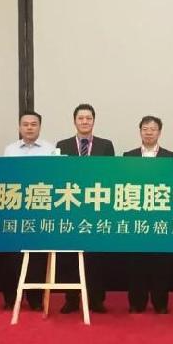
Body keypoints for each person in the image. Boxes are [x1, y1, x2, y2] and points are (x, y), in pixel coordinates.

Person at [55, 104, 115, 314]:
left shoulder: (105, 145)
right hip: (71, 207)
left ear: (93, 121)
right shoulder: (62, 145)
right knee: (70, 257)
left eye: (88, 118)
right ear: (75, 121)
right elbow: (59, 175)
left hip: (97, 208)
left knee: (96, 257)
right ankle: (71, 299)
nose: (84, 122)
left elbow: (111, 176)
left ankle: (96, 299)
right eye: (80, 118)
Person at [123, 115, 173, 314]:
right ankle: (136, 303)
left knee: (161, 263)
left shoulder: (171, 157)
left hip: (161, 217)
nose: (149, 132)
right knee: (136, 262)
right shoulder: (128, 156)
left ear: (159, 132)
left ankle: (160, 303)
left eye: (153, 129)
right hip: (136, 217)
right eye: (145, 129)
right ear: (140, 131)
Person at [2, 111, 54, 311]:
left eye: (34, 124)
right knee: (13, 256)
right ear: (19, 127)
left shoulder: (50, 149)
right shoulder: (10, 150)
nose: (29, 127)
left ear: (40, 127)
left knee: (38, 257)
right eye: (25, 124)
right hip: (15, 208)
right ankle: (11, 298)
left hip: (39, 209)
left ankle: (35, 299)